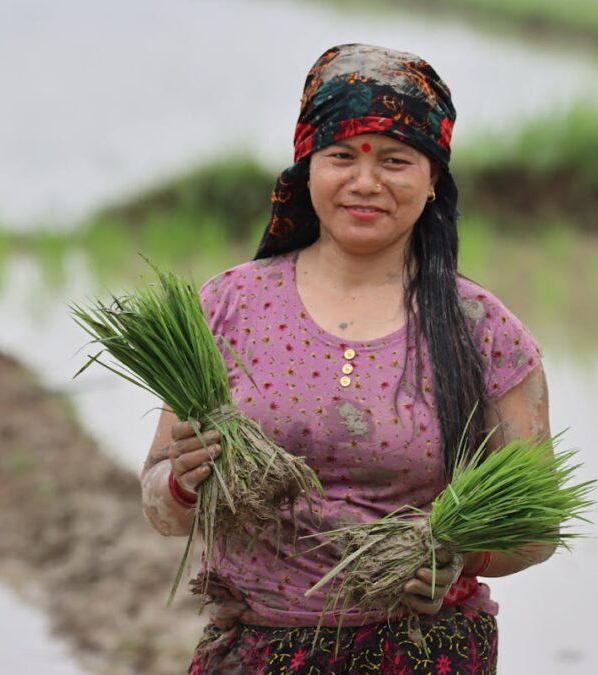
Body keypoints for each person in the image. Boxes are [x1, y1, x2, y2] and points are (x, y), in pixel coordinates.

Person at [141, 43, 553, 673]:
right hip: (253, 653)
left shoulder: (485, 331)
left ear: (433, 176)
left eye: (396, 161)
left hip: (421, 653)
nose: (366, 183)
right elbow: (161, 510)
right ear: (307, 167)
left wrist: (456, 560)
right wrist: (182, 480)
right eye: (341, 157)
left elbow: (535, 528)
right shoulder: (227, 307)